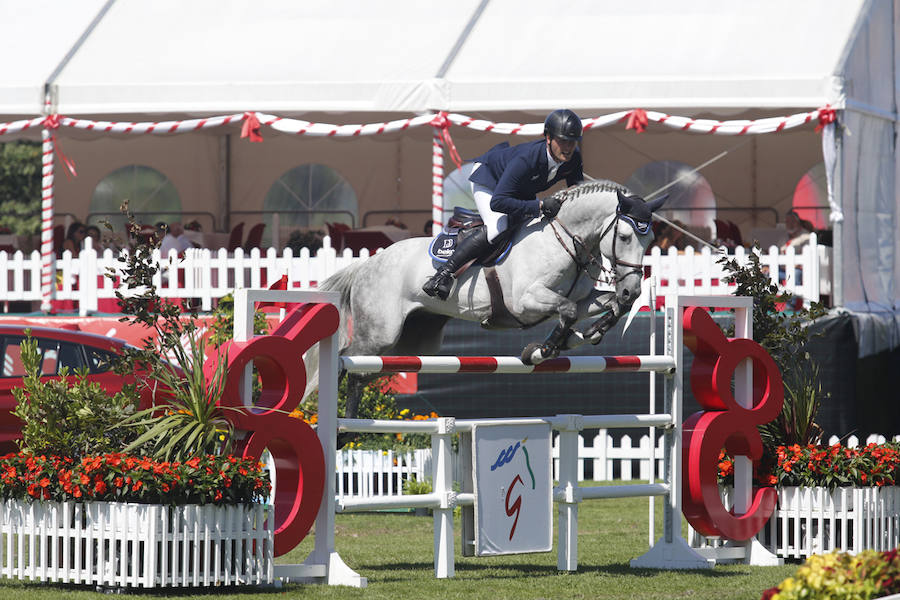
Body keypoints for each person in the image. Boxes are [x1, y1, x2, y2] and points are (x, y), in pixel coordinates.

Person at [423, 109, 585, 300]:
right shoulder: (527, 160)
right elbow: (498, 201)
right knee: (497, 227)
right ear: (548, 137)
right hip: (489, 180)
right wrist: (539, 206)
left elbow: (577, 193)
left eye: (572, 142)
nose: (568, 147)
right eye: (562, 141)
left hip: (519, 188)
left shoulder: (573, 158)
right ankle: (443, 274)